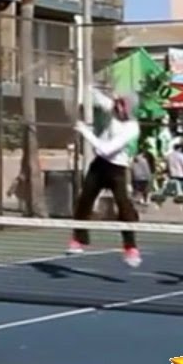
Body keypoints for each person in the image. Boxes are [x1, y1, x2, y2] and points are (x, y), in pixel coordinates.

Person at [69, 90, 142, 266]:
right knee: (84, 200)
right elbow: (98, 97)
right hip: (99, 166)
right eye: (118, 103)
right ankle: (78, 239)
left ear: (129, 109)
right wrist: (89, 87)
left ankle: (130, 247)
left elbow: (106, 149)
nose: (117, 106)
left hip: (117, 169)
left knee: (124, 206)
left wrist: (85, 132)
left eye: (122, 104)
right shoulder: (113, 111)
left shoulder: (132, 128)